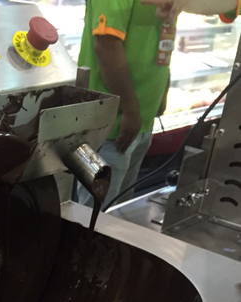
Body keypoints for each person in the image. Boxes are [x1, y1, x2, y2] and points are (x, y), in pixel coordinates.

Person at [73, 0, 240, 208]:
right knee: (96, 213)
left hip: (140, 120)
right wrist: (131, 110)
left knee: (119, 209)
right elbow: (106, 47)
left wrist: (159, 93)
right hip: (110, 125)